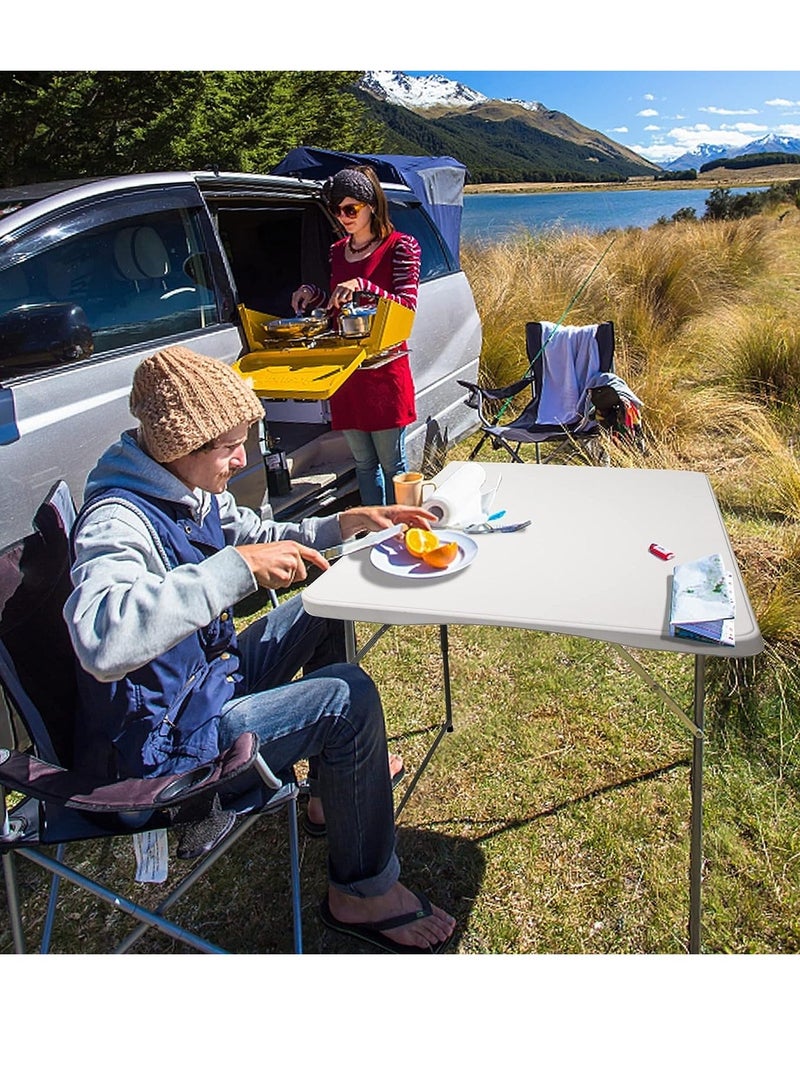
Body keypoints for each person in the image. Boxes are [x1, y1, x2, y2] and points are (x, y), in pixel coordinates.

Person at [63, 344, 455, 954]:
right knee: (346, 698)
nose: (242, 458)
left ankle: (331, 792)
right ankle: (362, 892)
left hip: (207, 682)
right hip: (170, 747)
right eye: (230, 447)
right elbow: (101, 638)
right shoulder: (117, 520)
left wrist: (345, 523)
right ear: (179, 448)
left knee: (321, 597)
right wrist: (232, 570)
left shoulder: (183, 488)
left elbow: (254, 534)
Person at [291, 166, 421, 506]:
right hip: (348, 371)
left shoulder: (401, 246)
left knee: (393, 464)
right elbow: (339, 305)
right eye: (337, 210)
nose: (343, 216)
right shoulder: (337, 251)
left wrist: (364, 286)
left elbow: (406, 308)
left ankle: (407, 532)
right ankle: (375, 531)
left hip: (385, 369)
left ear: (372, 206)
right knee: (363, 464)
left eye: (351, 209)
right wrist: (314, 294)